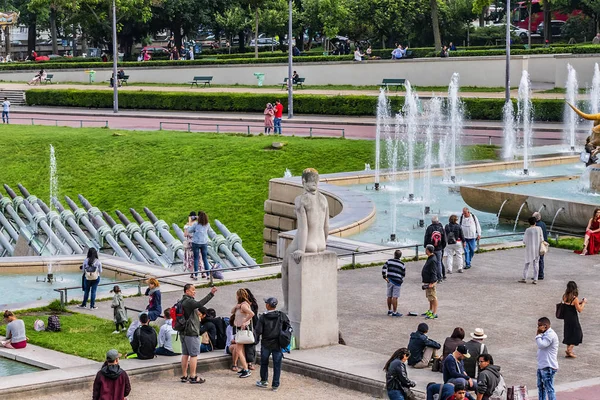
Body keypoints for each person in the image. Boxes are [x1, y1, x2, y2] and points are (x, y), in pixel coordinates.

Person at [281, 168, 329, 312]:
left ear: (303, 181)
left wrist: (301, 249)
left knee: (285, 267)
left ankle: (287, 305)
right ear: (317, 181)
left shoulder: (301, 200)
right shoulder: (324, 199)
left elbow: (303, 228)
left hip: (307, 243)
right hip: (321, 242)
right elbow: (327, 226)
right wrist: (324, 244)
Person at [180, 283, 218, 384]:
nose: (194, 292)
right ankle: (193, 376)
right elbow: (200, 304)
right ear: (187, 291)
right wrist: (211, 294)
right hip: (191, 332)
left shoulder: (181, 301)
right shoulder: (189, 301)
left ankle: (184, 375)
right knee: (193, 355)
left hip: (183, 332)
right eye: (193, 290)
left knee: (185, 354)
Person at [255, 296, 290, 392]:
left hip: (266, 343)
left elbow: (258, 330)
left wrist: (256, 340)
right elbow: (288, 327)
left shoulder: (263, 317)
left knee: (264, 363)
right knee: (277, 364)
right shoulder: (281, 315)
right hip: (278, 343)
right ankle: (275, 385)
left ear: (267, 305)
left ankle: (264, 381)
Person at [230, 288, 255, 378]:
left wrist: (244, 321)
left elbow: (251, 314)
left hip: (242, 328)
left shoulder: (243, 306)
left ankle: (246, 369)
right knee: (240, 350)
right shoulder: (241, 305)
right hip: (240, 329)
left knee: (238, 350)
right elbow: (232, 311)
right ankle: (245, 368)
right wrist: (236, 307)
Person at [536, 317, 559, 400]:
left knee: (549, 388)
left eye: (539, 325)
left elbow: (541, 345)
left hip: (548, 366)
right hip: (542, 365)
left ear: (545, 326)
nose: (538, 327)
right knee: (541, 387)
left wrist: (538, 335)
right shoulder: (545, 334)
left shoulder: (550, 335)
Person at [561, 281, 586, 358]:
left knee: (569, 332)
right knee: (577, 334)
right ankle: (569, 349)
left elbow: (570, 304)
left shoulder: (564, 296)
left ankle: (569, 351)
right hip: (573, 318)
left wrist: (579, 302)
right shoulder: (574, 298)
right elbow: (579, 309)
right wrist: (584, 303)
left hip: (566, 318)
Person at [187, 210, 212, 279]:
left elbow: (189, 230)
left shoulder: (196, 224)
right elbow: (209, 231)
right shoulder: (207, 224)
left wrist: (190, 223)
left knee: (196, 258)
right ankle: (208, 275)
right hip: (204, 243)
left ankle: (195, 275)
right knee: (205, 258)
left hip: (196, 242)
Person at [382, 249, 406, 317]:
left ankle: (389, 310)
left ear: (394, 255)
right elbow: (403, 274)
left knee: (389, 296)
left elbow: (384, 268)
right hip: (397, 282)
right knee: (395, 297)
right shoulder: (402, 264)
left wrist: (385, 277)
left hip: (389, 280)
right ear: (400, 256)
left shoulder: (389, 261)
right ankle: (394, 312)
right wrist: (400, 279)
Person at [519, 217, 543, 284]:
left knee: (527, 264)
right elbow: (542, 239)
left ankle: (524, 278)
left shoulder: (527, 230)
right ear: (535, 222)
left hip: (529, 249)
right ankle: (535, 279)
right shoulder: (539, 229)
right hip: (537, 248)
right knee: (536, 264)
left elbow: (524, 241)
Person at [425, 215, 446, 283]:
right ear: (438, 221)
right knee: (439, 262)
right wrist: (442, 247)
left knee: (431, 262)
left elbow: (426, 237)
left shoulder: (429, 228)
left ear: (432, 221)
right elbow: (444, 239)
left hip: (431, 248)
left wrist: (426, 246)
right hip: (439, 248)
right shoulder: (441, 228)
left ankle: (432, 277)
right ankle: (439, 278)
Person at [243, 288, 259, 370]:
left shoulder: (245, 305)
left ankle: (249, 363)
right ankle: (250, 362)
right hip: (255, 325)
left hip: (248, 325)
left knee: (248, 344)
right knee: (252, 344)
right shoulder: (254, 304)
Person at [421, 245, 439, 319]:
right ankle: (430, 310)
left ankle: (434, 313)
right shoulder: (431, 258)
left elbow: (434, 272)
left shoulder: (432, 260)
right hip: (427, 281)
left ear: (428, 250)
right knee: (429, 297)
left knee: (433, 297)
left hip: (430, 282)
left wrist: (432, 283)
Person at [532, 212, 548, 279]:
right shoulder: (543, 224)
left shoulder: (536, 226)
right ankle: (541, 274)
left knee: (537, 260)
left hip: (538, 244)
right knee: (541, 259)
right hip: (543, 244)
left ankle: (538, 275)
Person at [183, 212, 198, 278]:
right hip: (197, 243)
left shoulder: (187, 225)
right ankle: (202, 273)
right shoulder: (198, 224)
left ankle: (192, 273)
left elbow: (185, 234)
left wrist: (188, 225)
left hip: (190, 244)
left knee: (191, 258)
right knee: (199, 258)